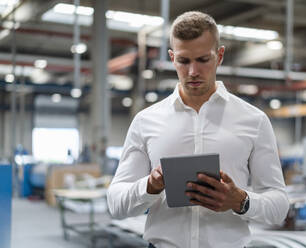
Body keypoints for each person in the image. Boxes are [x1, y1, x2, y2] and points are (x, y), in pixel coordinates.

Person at [107, 11, 289, 248]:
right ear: (172, 58)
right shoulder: (146, 121)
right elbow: (116, 203)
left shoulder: (254, 121)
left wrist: (240, 201)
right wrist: (149, 186)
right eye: (184, 61)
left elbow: (280, 206)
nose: (193, 71)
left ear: (219, 56)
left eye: (203, 60)